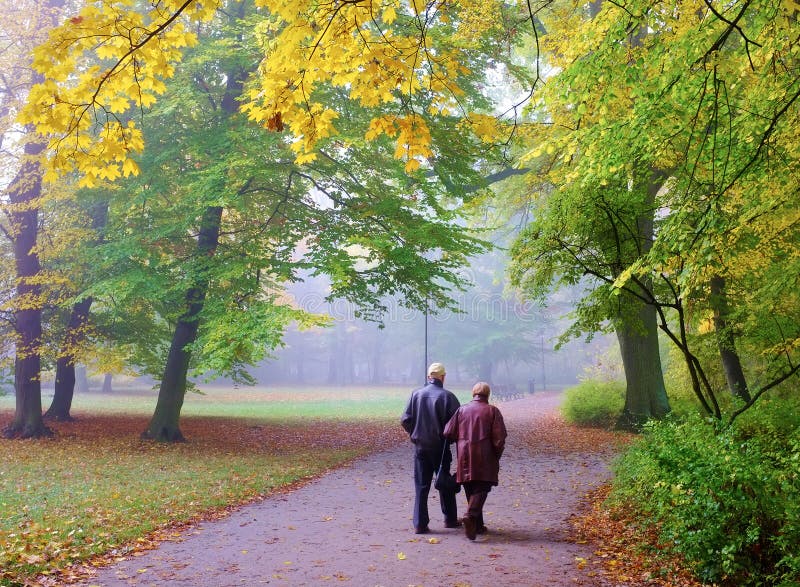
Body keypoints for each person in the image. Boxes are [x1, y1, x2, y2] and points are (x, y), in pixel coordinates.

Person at [400, 362, 461, 534]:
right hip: (441, 449)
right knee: (444, 482)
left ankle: (420, 523)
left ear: (429, 377)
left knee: (421, 485)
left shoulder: (416, 394)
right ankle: (449, 519)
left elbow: (405, 419)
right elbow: (458, 424)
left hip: (420, 447)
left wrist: (415, 433)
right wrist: (450, 439)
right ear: (443, 377)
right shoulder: (448, 397)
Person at [444, 381, 507, 540]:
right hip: (484, 457)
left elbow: (448, 432)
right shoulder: (492, 411)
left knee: (471, 490)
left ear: (474, 394)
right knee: (482, 488)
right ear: (488, 394)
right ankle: (471, 516)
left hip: (464, 456)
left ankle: (477, 527)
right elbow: (499, 439)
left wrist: (461, 440)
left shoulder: (461, 410)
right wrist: (496, 456)